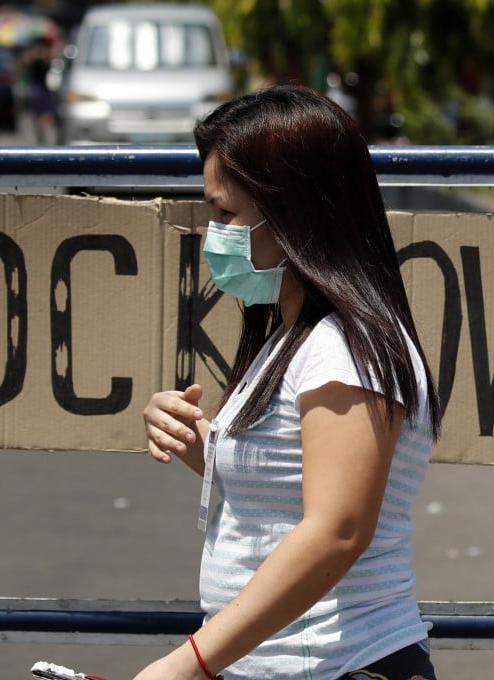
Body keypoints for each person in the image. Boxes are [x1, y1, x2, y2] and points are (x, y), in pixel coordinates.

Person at [138, 84, 441, 680]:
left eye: (226, 213)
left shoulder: (344, 349)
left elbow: (336, 531)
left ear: (294, 211)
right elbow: (291, 481)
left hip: (337, 666)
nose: (214, 232)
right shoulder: (292, 334)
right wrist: (200, 442)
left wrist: (188, 664)